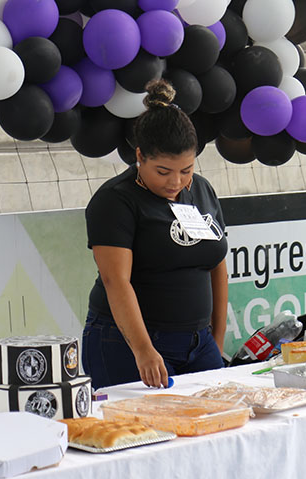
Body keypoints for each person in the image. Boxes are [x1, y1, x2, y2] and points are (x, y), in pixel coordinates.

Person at [82, 79, 228, 389]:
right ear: (139, 156)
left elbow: (217, 264)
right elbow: (115, 281)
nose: (176, 181)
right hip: (128, 343)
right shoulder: (115, 200)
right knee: (141, 433)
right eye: (163, 171)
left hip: (198, 343)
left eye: (186, 169)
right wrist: (144, 349)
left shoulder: (201, 190)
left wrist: (216, 336)